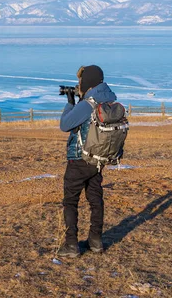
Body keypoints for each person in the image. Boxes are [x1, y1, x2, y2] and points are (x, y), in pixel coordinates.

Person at [57, 65, 116, 257]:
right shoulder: (107, 99)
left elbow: (65, 125)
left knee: (71, 201)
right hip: (98, 159)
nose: (79, 84)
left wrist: (70, 103)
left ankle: (71, 245)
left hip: (79, 159)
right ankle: (96, 240)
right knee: (95, 199)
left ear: (87, 81)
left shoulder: (88, 103)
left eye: (81, 81)